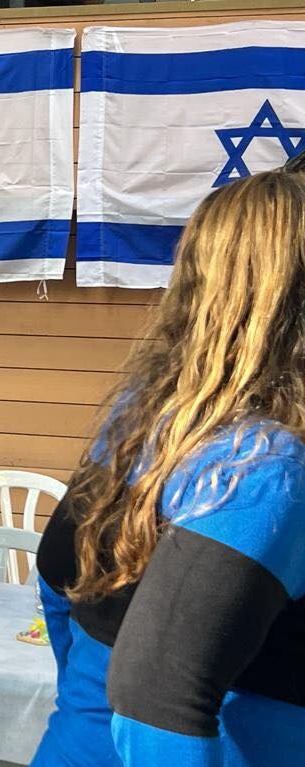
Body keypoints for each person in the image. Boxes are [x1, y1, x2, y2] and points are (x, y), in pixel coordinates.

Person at [32, 170, 305, 766]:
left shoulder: (145, 414)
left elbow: (56, 578)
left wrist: (85, 712)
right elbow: (156, 697)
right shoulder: (268, 468)